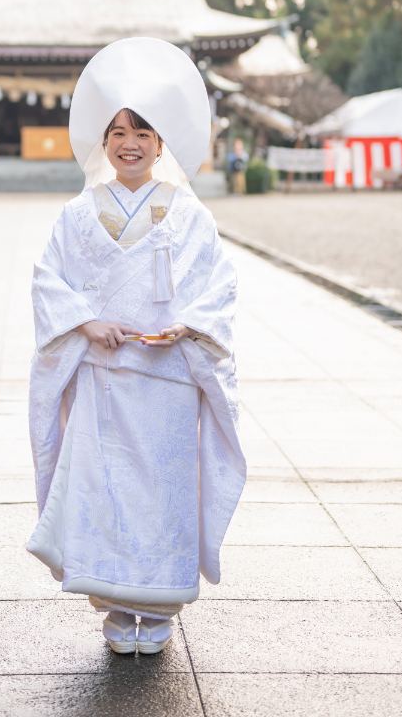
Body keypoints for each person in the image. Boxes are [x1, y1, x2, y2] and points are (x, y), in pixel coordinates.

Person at [27, 37, 245, 656]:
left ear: (160, 143)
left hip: (167, 378)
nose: (129, 143)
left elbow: (219, 283)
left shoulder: (190, 214)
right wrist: (85, 323)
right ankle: (117, 607)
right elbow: (48, 280)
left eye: (143, 133)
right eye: (118, 131)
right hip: (104, 376)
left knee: (160, 494)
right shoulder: (76, 212)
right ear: (104, 141)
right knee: (108, 492)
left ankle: (159, 609)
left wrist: (188, 326)